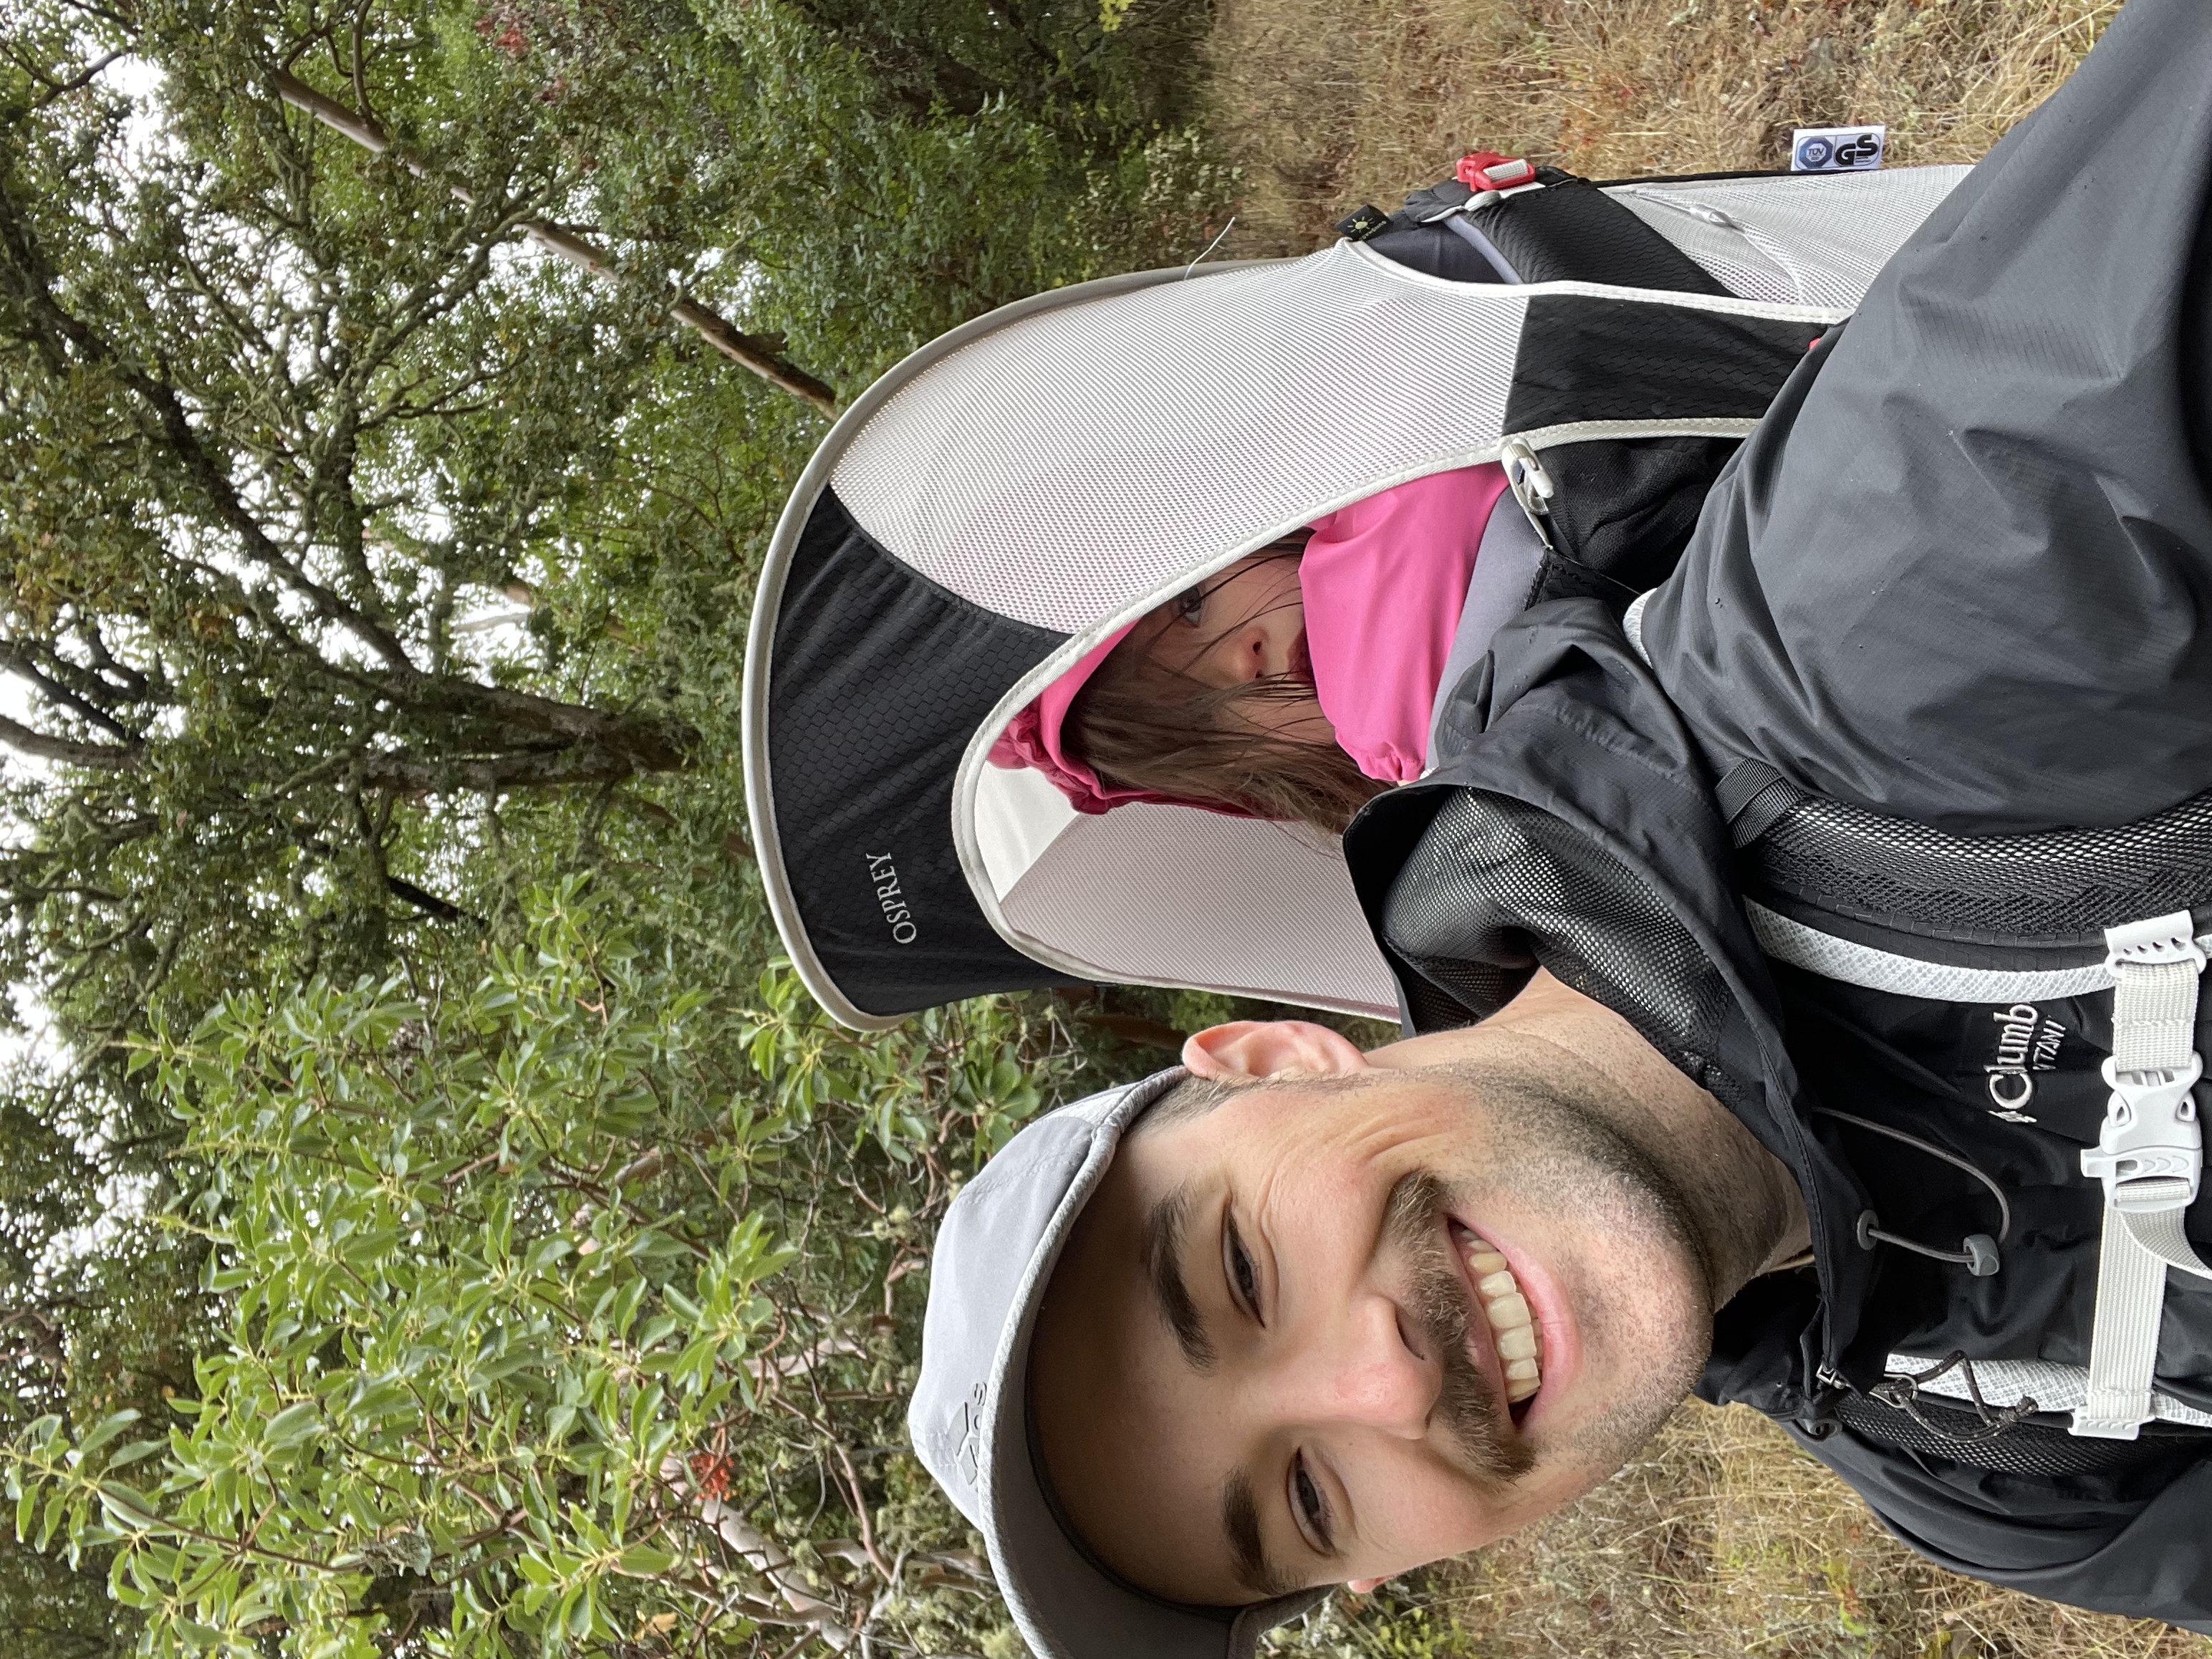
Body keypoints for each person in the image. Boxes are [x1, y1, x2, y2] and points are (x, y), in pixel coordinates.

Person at [905, 2, 2212, 1654]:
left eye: (1240, 1274)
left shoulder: (1892, 611)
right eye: (1306, 1495)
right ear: (1376, 1571)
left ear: (1272, 1059)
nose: (1381, 1382)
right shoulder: (1982, 1466)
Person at [987, 462, 1539, 832]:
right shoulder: (1461, 821)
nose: (1238, 660)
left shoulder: (1388, 465)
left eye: (1191, 605)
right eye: (1198, 714)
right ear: (1253, 774)